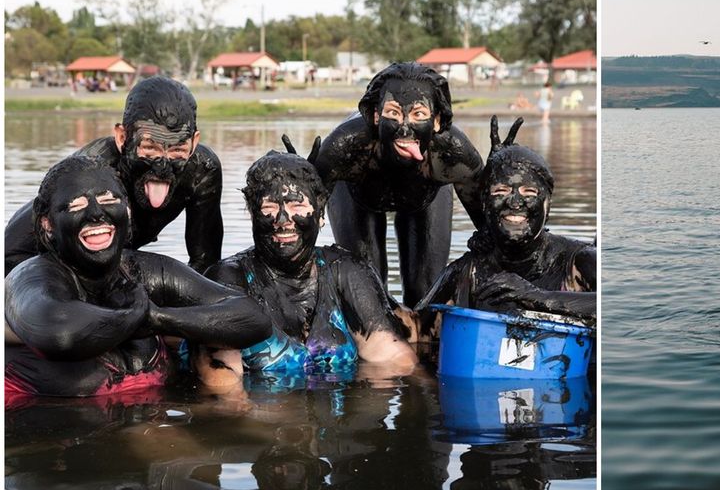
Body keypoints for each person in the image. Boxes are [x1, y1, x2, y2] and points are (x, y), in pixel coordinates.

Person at [4, 156, 270, 400]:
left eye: (108, 201)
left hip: (145, 411)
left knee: (219, 346)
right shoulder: (32, 277)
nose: (96, 214)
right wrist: (130, 316)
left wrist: (158, 318)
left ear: (128, 211)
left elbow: (252, 318)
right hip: (50, 419)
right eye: (76, 206)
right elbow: (59, 332)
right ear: (48, 224)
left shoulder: (143, 270)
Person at [195, 139, 420, 388]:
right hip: (262, 408)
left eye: (297, 205)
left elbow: (393, 358)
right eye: (269, 207)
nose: (283, 220)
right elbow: (222, 383)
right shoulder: (228, 279)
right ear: (252, 214)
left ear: (320, 214)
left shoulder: (346, 271)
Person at [5, 76, 224, 276]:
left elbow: (206, 262)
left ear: (194, 142)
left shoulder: (201, 170)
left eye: (177, 151)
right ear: (122, 138)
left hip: (111, 261)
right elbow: (11, 253)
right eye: (150, 149)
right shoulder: (92, 170)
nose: (163, 166)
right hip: (33, 263)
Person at [311, 62, 486, 307]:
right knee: (366, 292)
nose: (404, 128)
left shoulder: (451, 154)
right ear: (375, 116)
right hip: (357, 191)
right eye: (393, 114)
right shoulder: (347, 146)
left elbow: (490, 227)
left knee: (425, 294)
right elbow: (303, 217)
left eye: (418, 115)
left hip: (425, 195)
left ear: (436, 121)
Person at [417, 117, 596, 326]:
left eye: (529, 193)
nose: (515, 202)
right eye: (501, 191)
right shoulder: (467, 272)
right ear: (485, 204)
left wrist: (536, 297)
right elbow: (415, 329)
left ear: (547, 205)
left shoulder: (579, 262)